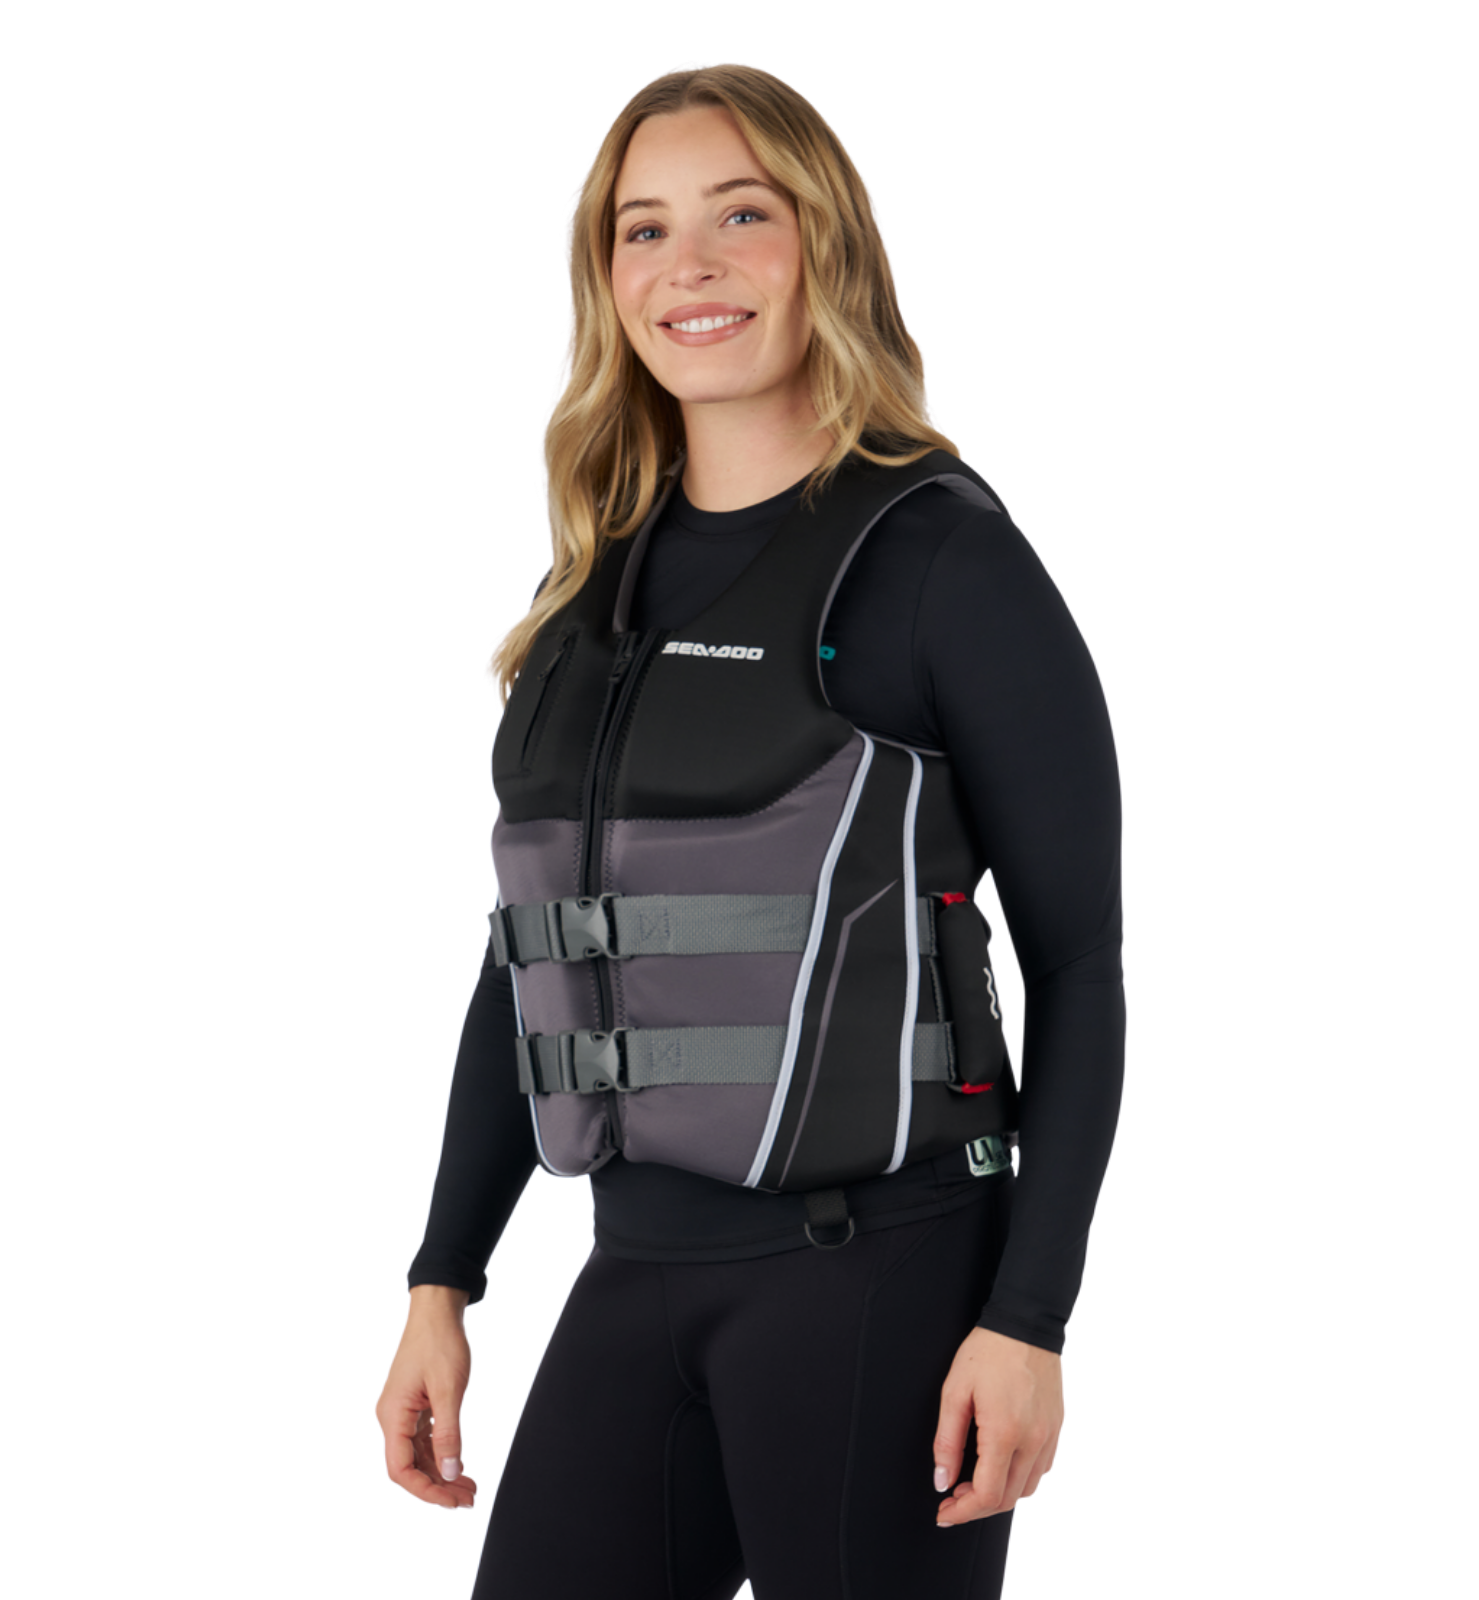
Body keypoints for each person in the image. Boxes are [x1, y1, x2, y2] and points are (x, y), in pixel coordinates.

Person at [374, 60, 1125, 1600]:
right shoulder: (590, 597)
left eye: (741, 214)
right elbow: (532, 959)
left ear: (825, 244)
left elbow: (1080, 969)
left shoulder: (941, 560)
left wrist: (1031, 1321)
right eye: (642, 230)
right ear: (605, 280)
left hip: (887, 1273)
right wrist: (442, 1278)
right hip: (634, 1266)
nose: (690, 266)